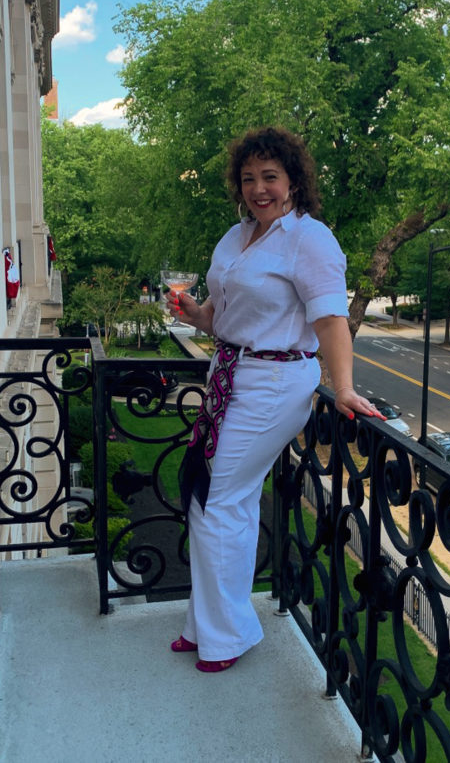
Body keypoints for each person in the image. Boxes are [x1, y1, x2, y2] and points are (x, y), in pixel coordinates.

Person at [168, 126, 384, 673]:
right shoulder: (235, 237)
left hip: (275, 383)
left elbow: (332, 320)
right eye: (249, 179)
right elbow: (223, 314)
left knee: (217, 500)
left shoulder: (310, 239)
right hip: (228, 376)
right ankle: (209, 624)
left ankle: (225, 636)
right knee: (214, 496)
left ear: (292, 182)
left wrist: (344, 388)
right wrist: (196, 316)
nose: (259, 189)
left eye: (270, 177)